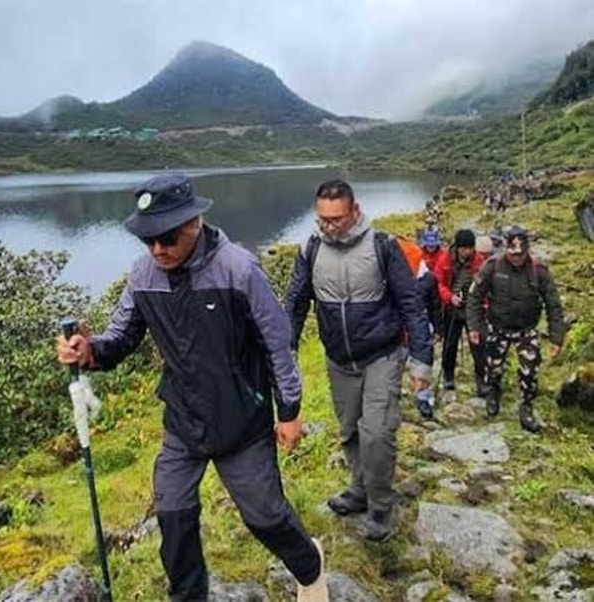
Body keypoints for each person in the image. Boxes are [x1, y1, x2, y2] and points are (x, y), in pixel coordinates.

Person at [56, 174, 327, 601]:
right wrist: (89, 351)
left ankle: (310, 569)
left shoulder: (237, 268)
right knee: (174, 519)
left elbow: (277, 341)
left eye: (166, 239)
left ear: (194, 223)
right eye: (148, 240)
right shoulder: (144, 274)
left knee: (265, 517)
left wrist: (289, 412)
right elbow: (121, 338)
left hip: (242, 421)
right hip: (183, 420)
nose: (157, 250)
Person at [285, 179, 433, 542]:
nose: (329, 226)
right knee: (351, 430)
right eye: (323, 219)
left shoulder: (383, 246)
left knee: (378, 433)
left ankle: (382, 503)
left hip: (381, 355)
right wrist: (284, 350)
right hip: (338, 360)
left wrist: (421, 361)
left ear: (354, 210)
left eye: (336, 218)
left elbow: (411, 304)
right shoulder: (311, 249)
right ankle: (360, 488)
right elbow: (296, 301)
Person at [466, 226, 566, 433]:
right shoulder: (492, 266)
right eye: (513, 253)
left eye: (521, 253)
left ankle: (526, 408)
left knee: (529, 371)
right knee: (493, 368)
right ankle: (493, 393)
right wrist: (474, 326)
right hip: (498, 327)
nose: (517, 257)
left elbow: (553, 304)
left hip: (527, 330)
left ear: (527, 249)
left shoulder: (539, 269)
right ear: (505, 249)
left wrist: (557, 337)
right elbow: (475, 296)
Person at [433, 229, 487, 400]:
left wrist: (483, 305)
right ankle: (448, 376)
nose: (467, 252)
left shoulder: (479, 260)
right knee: (450, 344)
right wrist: (449, 297)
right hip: (451, 308)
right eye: (463, 248)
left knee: (478, 345)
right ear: (457, 247)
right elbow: (438, 283)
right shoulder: (445, 259)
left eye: (470, 248)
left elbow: (485, 285)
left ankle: (481, 380)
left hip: (473, 309)